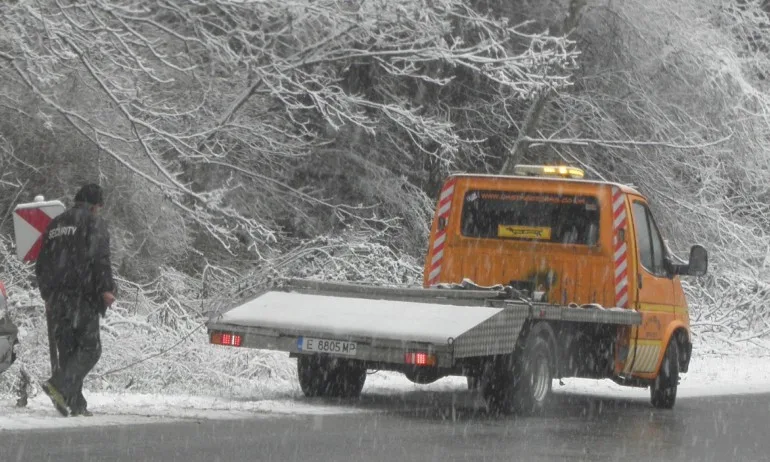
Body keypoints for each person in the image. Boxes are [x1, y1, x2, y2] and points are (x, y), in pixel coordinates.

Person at [35, 184, 117, 417]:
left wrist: (48, 295)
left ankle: (75, 404)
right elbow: (100, 259)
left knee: (69, 351)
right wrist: (106, 289)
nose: (99, 212)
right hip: (82, 297)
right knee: (91, 348)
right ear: (94, 205)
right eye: (99, 207)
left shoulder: (55, 224)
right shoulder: (93, 223)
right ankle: (59, 385)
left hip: (56, 299)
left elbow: (41, 264)